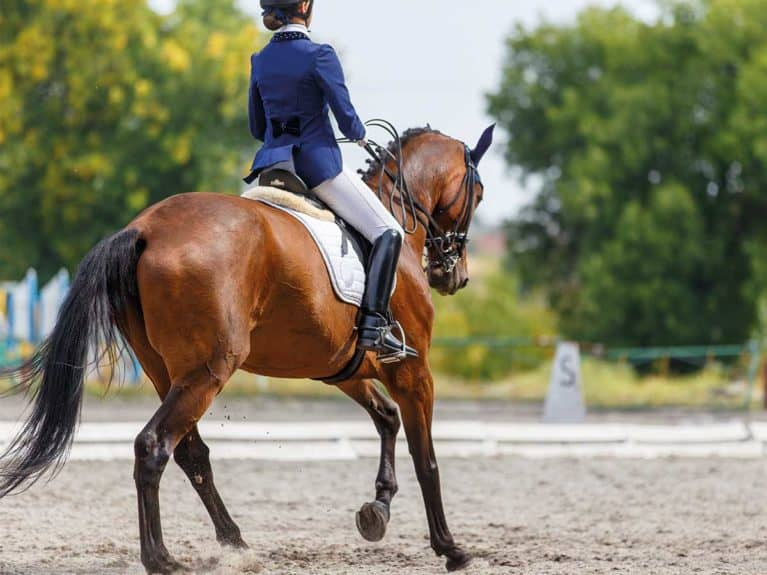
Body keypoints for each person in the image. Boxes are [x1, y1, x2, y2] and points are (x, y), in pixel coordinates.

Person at [247, 0, 415, 359]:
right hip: (316, 168)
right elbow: (345, 115)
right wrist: (359, 133)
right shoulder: (320, 54)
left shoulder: (259, 61)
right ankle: (375, 327)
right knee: (389, 232)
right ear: (305, 6)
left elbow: (257, 127)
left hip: (273, 167)